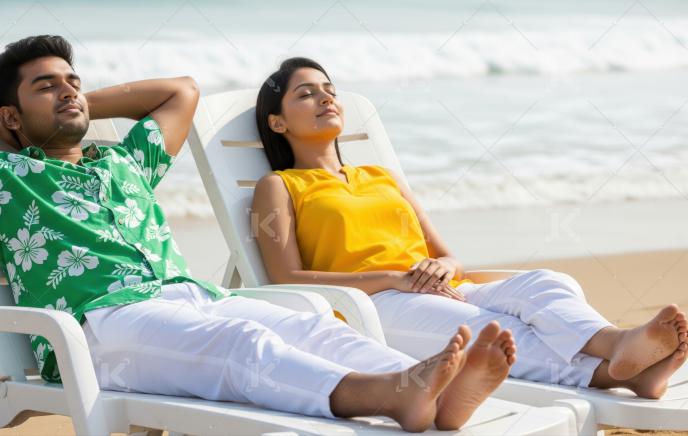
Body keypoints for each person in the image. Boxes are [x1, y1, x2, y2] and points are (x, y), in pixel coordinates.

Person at [0, 35, 517, 432]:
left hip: (191, 298)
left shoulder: (124, 163)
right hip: (97, 327)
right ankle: (387, 395)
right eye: (45, 86)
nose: (68, 91)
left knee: (311, 325)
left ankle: (431, 392)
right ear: (9, 113)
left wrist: (75, 105)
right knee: (240, 344)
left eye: (72, 81)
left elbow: (181, 91)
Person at [252, 56, 688, 399]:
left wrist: (442, 267)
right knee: (489, 327)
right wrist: (393, 279)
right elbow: (284, 279)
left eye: (330, 91)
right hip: (374, 306)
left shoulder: (381, 176)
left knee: (547, 282)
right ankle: (619, 376)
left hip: (444, 287)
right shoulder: (280, 186)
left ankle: (616, 343)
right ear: (277, 122)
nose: (325, 99)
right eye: (306, 94)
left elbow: (447, 255)